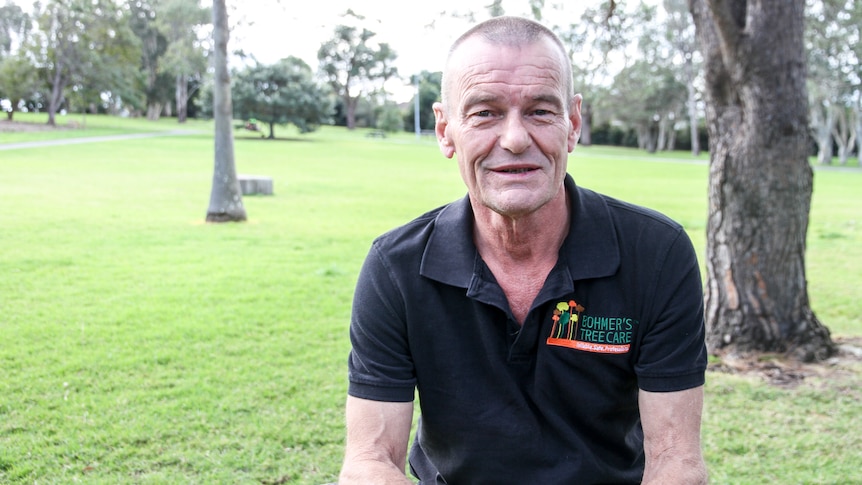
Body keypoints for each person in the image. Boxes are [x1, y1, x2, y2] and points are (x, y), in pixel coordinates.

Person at [339, 16, 708, 485]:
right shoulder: (396, 266)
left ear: (572, 124)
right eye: (484, 112)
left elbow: (676, 461)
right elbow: (371, 461)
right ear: (445, 129)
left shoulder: (656, 254)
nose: (514, 139)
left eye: (539, 111)